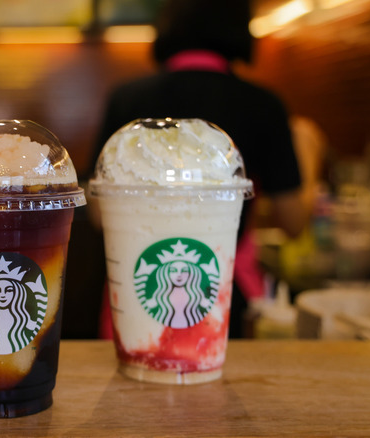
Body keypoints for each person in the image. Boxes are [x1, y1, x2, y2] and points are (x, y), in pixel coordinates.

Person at [93, 0, 307, 338]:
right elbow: (293, 222)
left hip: (135, 293)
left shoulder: (127, 99)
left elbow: (99, 214)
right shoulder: (263, 105)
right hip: (225, 295)